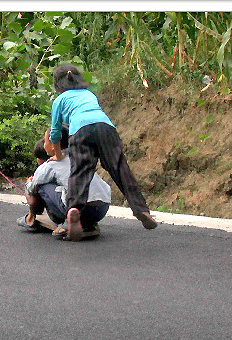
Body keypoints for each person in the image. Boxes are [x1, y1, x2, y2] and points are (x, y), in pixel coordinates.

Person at [48, 64, 157, 241]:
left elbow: (55, 133)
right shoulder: (89, 94)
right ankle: (141, 209)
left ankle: (74, 209)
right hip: (105, 127)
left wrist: (58, 154)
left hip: (80, 130)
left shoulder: (59, 100)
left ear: (58, 84)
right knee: (120, 169)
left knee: (80, 172)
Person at [17, 127, 111, 240]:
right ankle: (86, 224)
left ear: (53, 145)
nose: (44, 143)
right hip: (102, 208)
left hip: (80, 210)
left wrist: (28, 183)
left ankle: (32, 220)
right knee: (69, 186)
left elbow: (32, 190)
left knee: (40, 185)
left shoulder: (50, 165)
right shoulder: (79, 157)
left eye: (46, 141)